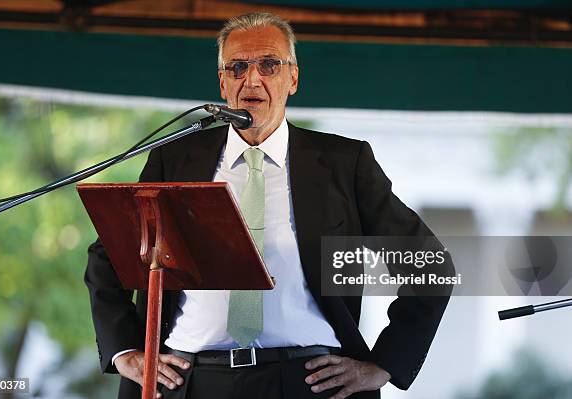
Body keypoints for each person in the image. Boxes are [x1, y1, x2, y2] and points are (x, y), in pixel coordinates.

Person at [85, 12, 451, 399]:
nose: (252, 79)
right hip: (188, 381)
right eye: (238, 67)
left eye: (269, 65)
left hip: (307, 381)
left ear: (293, 78)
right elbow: (108, 255)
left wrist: (384, 365)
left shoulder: (345, 164)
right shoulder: (175, 159)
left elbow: (430, 265)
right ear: (223, 82)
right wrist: (124, 350)